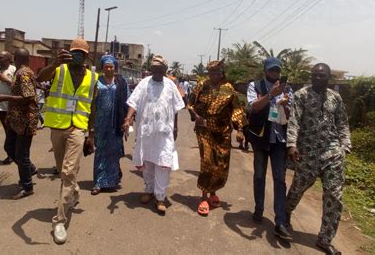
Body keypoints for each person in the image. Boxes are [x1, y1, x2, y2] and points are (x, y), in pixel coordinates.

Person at [37, 38, 98, 245]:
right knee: (63, 170)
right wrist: (54, 63)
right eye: (74, 52)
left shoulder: (92, 77)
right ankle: (75, 192)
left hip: (78, 128)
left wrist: (91, 134)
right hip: (57, 126)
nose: (77, 56)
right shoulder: (59, 69)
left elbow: (92, 108)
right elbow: (39, 78)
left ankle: (59, 221)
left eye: (81, 53)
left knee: (69, 171)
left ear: (86, 56)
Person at [286, 63, 351, 255]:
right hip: (307, 152)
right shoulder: (301, 95)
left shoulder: (335, 98)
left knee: (334, 196)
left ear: (329, 78)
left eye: (321, 76)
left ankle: (325, 238)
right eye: (314, 75)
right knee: (298, 188)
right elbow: (294, 121)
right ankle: (286, 213)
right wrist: (292, 144)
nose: (317, 78)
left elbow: (342, 123)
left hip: (332, 153)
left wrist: (345, 146)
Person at [122, 55, 184, 214]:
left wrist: (175, 128)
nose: (156, 71)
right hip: (147, 132)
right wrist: (128, 119)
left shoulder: (171, 85)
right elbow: (134, 101)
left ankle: (160, 197)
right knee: (148, 162)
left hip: (164, 134)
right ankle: (149, 190)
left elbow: (176, 107)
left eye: (160, 69)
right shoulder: (144, 83)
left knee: (163, 163)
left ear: (165, 70)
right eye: (154, 68)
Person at [187, 60, 245, 216]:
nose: (215, 75)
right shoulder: (201, 85)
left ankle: (213, 193)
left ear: (222, 74)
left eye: (218, 73)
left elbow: (237, 109)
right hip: (204, 129)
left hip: (223, 131)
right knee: (207, 162)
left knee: (220, 164)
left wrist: (239, 129)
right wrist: (196, 116)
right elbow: (190, 104)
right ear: (208, 73)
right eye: (212, 73)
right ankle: (204, 196)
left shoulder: (228, 89)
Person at [246, 57, 293, 240]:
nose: (275, 73)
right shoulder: (255, 86)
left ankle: (280, 221)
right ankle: (259, 208)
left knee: (280, 180)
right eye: (272, 70)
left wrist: (285, 105)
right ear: (265, 70)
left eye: (277, 71)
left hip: (279, 139)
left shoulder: (287, 89)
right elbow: (253, 108)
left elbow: (291, 115)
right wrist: (271, 95)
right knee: (259, 175)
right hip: (261, 137)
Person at [0, 48, 38, 200]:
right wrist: (10, 116)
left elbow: (27, 96)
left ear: (15, 59)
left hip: (25, 120)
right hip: (15, 119)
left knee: (21, 154)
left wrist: (3, 97)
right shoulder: (21, 72)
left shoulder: (23, 73)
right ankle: (29, 169)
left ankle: (27, 186)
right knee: (9, 147)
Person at [91, 54, 129, 195]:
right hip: (100, 123)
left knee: (113, 151)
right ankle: (99, 182)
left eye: (111, 67)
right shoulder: (97, 82)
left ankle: (111, 181)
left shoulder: (121, 82)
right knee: (100, 151)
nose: (108, 69)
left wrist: (127, 120)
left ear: (115, 68)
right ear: (102, 67)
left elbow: (128, 101)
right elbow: (92, 103)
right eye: (106, 66)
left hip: (115, 123)